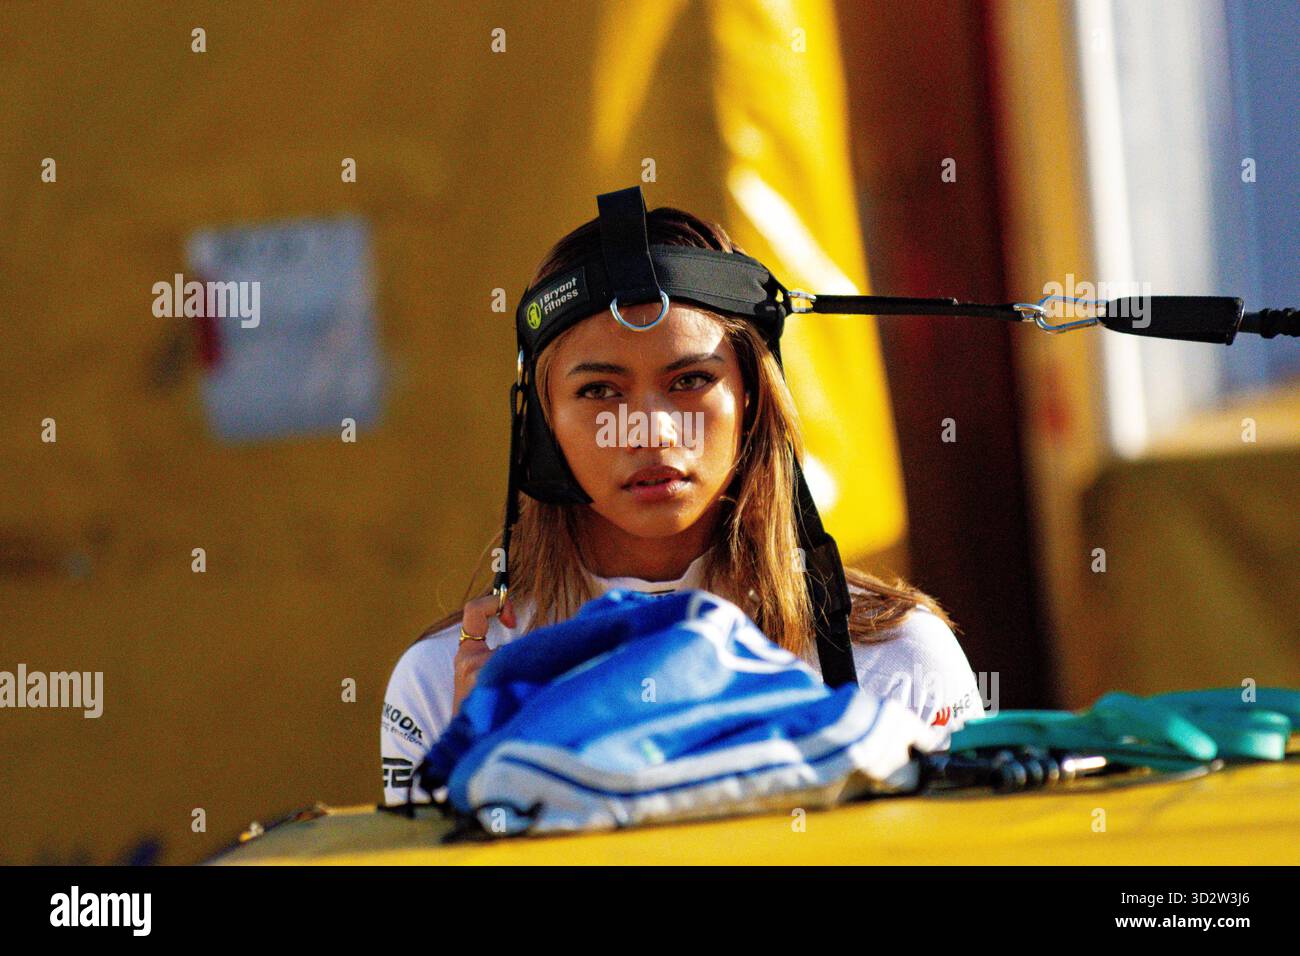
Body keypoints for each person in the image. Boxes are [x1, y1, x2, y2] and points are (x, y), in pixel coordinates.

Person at [382, 201, 982, 805]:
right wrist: (466, 783)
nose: (650, 430)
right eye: (599, 391)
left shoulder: (899, 656)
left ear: (753, 398)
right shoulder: (442, 685)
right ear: (542, 429)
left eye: (690, 380)